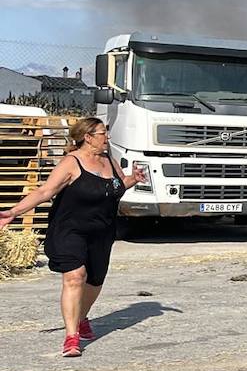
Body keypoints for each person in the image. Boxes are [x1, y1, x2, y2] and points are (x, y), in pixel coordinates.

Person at [0, 117, 146, 357]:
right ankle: (71, 337)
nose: (107, 137)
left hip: (102, 230)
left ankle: (81, 317)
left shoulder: (109, 160)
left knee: (95, 280)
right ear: (88, 137)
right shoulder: (71, 163)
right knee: (76, 276)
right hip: (70, 229)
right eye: (102, 133)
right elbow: (45, 191)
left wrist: (133, 179)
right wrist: (13, 212)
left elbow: (116, 186)